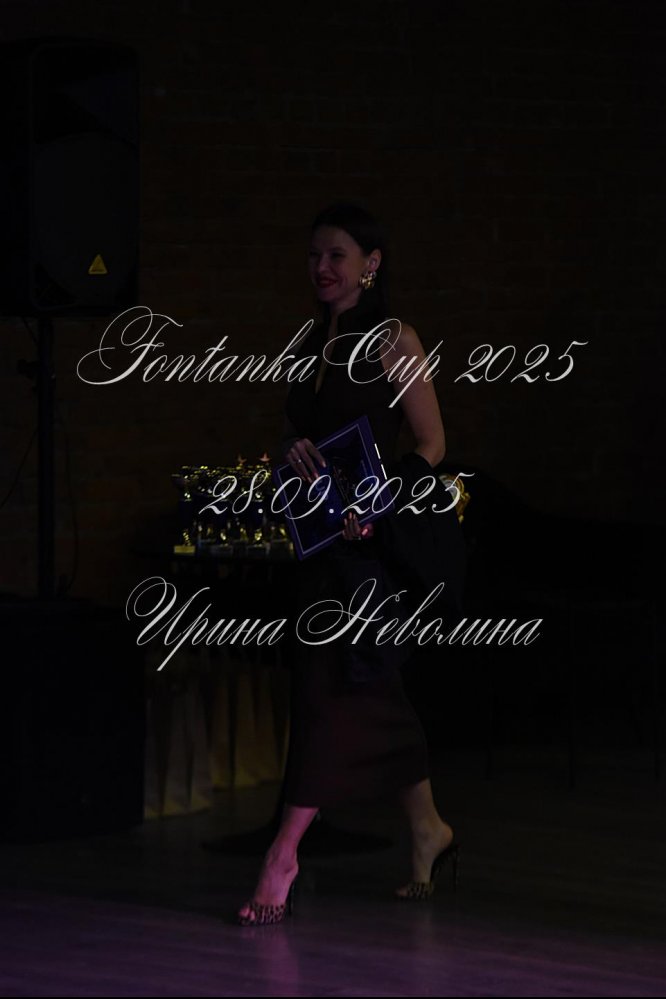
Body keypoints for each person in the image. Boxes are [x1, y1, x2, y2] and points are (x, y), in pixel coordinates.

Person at [237, 203, 460, 926]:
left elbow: (431, 443)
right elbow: (293, 432)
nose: (322, 268)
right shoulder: (309, 341)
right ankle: (428, 827)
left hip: (368, 545)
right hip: (315, 541)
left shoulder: (394, 338)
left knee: (327, 690)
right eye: (314, 256)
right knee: (367, 686)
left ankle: (283, 854)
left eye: (337, 255)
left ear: (372, 264)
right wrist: (291, 450)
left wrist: (378, 502)